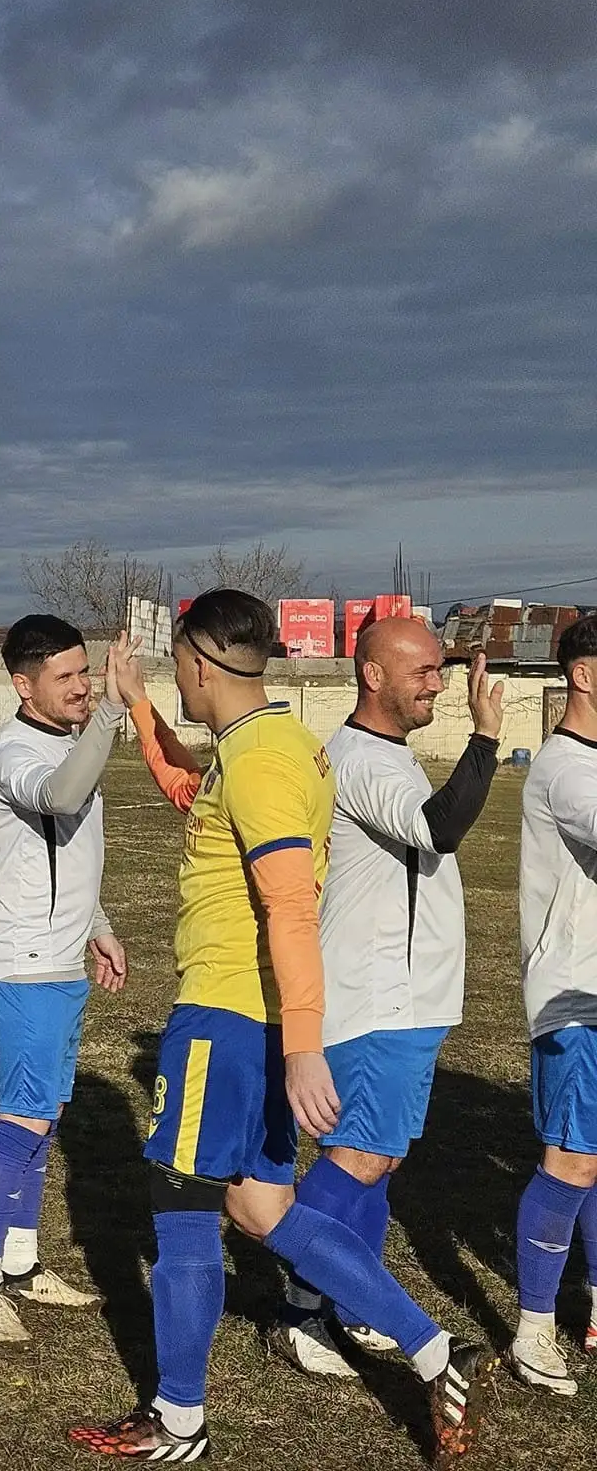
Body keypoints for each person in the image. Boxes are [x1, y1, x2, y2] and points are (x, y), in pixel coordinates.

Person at [75, 590, 489, 1461]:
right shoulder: (278, 743)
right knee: (261, 1207)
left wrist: (304, 1046)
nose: (175, 679)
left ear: (200, 664)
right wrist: (139, 708)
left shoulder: (261, 761)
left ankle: (179, 1418)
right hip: (254, 1021)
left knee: (183, 1206)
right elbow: (194, 790)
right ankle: (435, 1351)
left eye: (173, 667)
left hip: (227, 1015)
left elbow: (291, 907)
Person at [271, 622, 502, 1380]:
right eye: (423, 671)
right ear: (372, 675)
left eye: (439, 670)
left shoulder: (388, 753)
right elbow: (439, 829)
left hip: (408, 1000)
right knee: (360, 1156)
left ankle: (352, 1298)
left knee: (382, 1158)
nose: (438, 683)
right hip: (377, 1001)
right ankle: (301, 1307)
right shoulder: (361, 759)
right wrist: (485, 739)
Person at [0, 617, 131, 1343]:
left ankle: (23, 1262)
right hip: (21, 966)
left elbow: (72, 846)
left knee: (45, 1116)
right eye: (65, 677)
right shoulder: (10, 753)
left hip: (60, 963)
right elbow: (61, 799)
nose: (83, 687)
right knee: (22, 1120)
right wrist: (116, 710)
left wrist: (99, 926)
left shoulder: (71, 744)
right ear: (22, 685)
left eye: (86, 672)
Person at [510, 614, 597, 1393]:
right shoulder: (565, 769)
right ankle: (533, 1329)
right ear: (583, 674)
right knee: (571, 1159)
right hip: (575, 997)